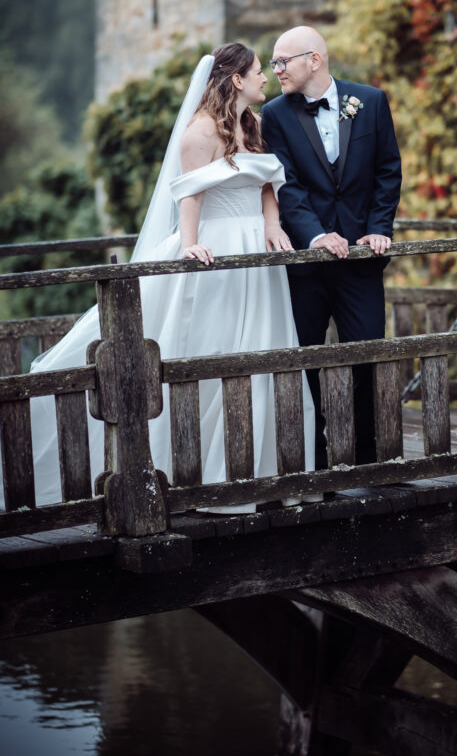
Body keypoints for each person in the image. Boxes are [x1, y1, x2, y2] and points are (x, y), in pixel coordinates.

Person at [3, 45, 316, 513]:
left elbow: (267, 184)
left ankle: (270, 473)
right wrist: (189, 244)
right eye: (257, 71)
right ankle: (210, 474)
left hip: (259, 254)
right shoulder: (199, 133)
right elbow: (189, 197)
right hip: (221, 248)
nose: (265, 78)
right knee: (220, 351)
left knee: (266, 350)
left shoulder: (252, 124)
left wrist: (273, 225)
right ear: (235, 79)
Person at [261, 26, 402, 467]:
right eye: (273, 62)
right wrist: (317, 235)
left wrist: (380, 228)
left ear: (314, 60)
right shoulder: (275, 115)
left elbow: (387, 171)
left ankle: (369, 457)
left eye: (283, 61)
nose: (276, 69)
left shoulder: (372, 101)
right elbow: (287, 186)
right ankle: (313, 459)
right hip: (306, 265)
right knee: (304, 361)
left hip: (362, 260)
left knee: (369, 358)